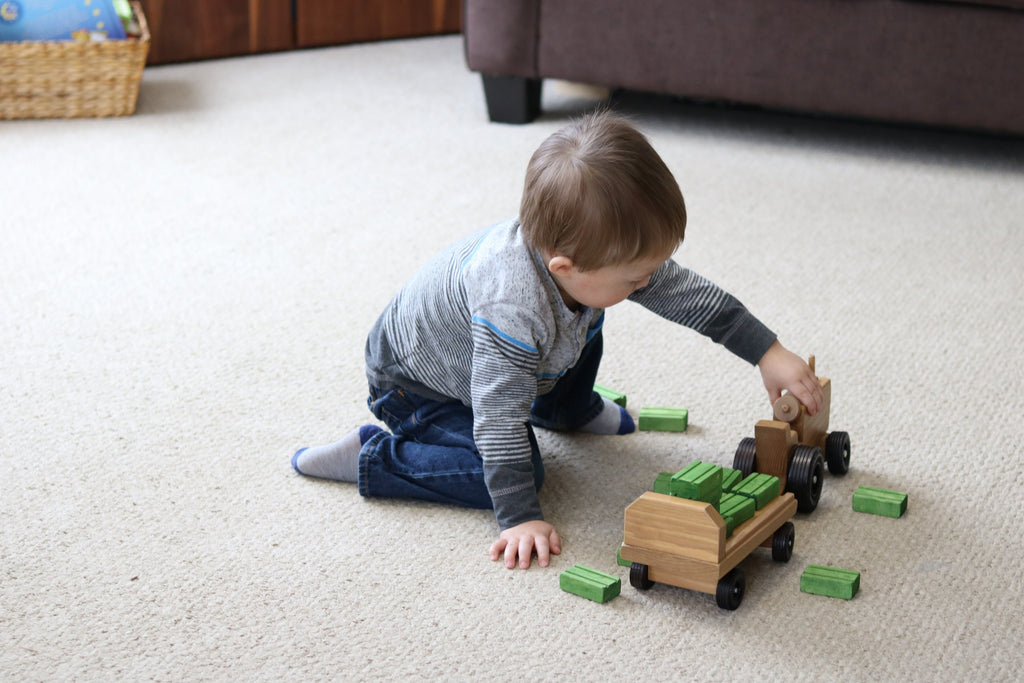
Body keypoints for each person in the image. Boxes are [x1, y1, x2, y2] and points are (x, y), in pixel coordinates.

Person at [291, 110, 823, 571]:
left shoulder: (590, 263)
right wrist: (520, 516)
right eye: (637, 276)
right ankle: (374, 457)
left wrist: (766, 351)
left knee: (590, 315)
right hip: (416, 386)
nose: (649, 282)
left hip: (523, 354)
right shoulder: (513, 306)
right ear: (564, 267)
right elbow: (498, 418)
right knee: (514, 471)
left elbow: (688, 296)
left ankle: (566, 409)